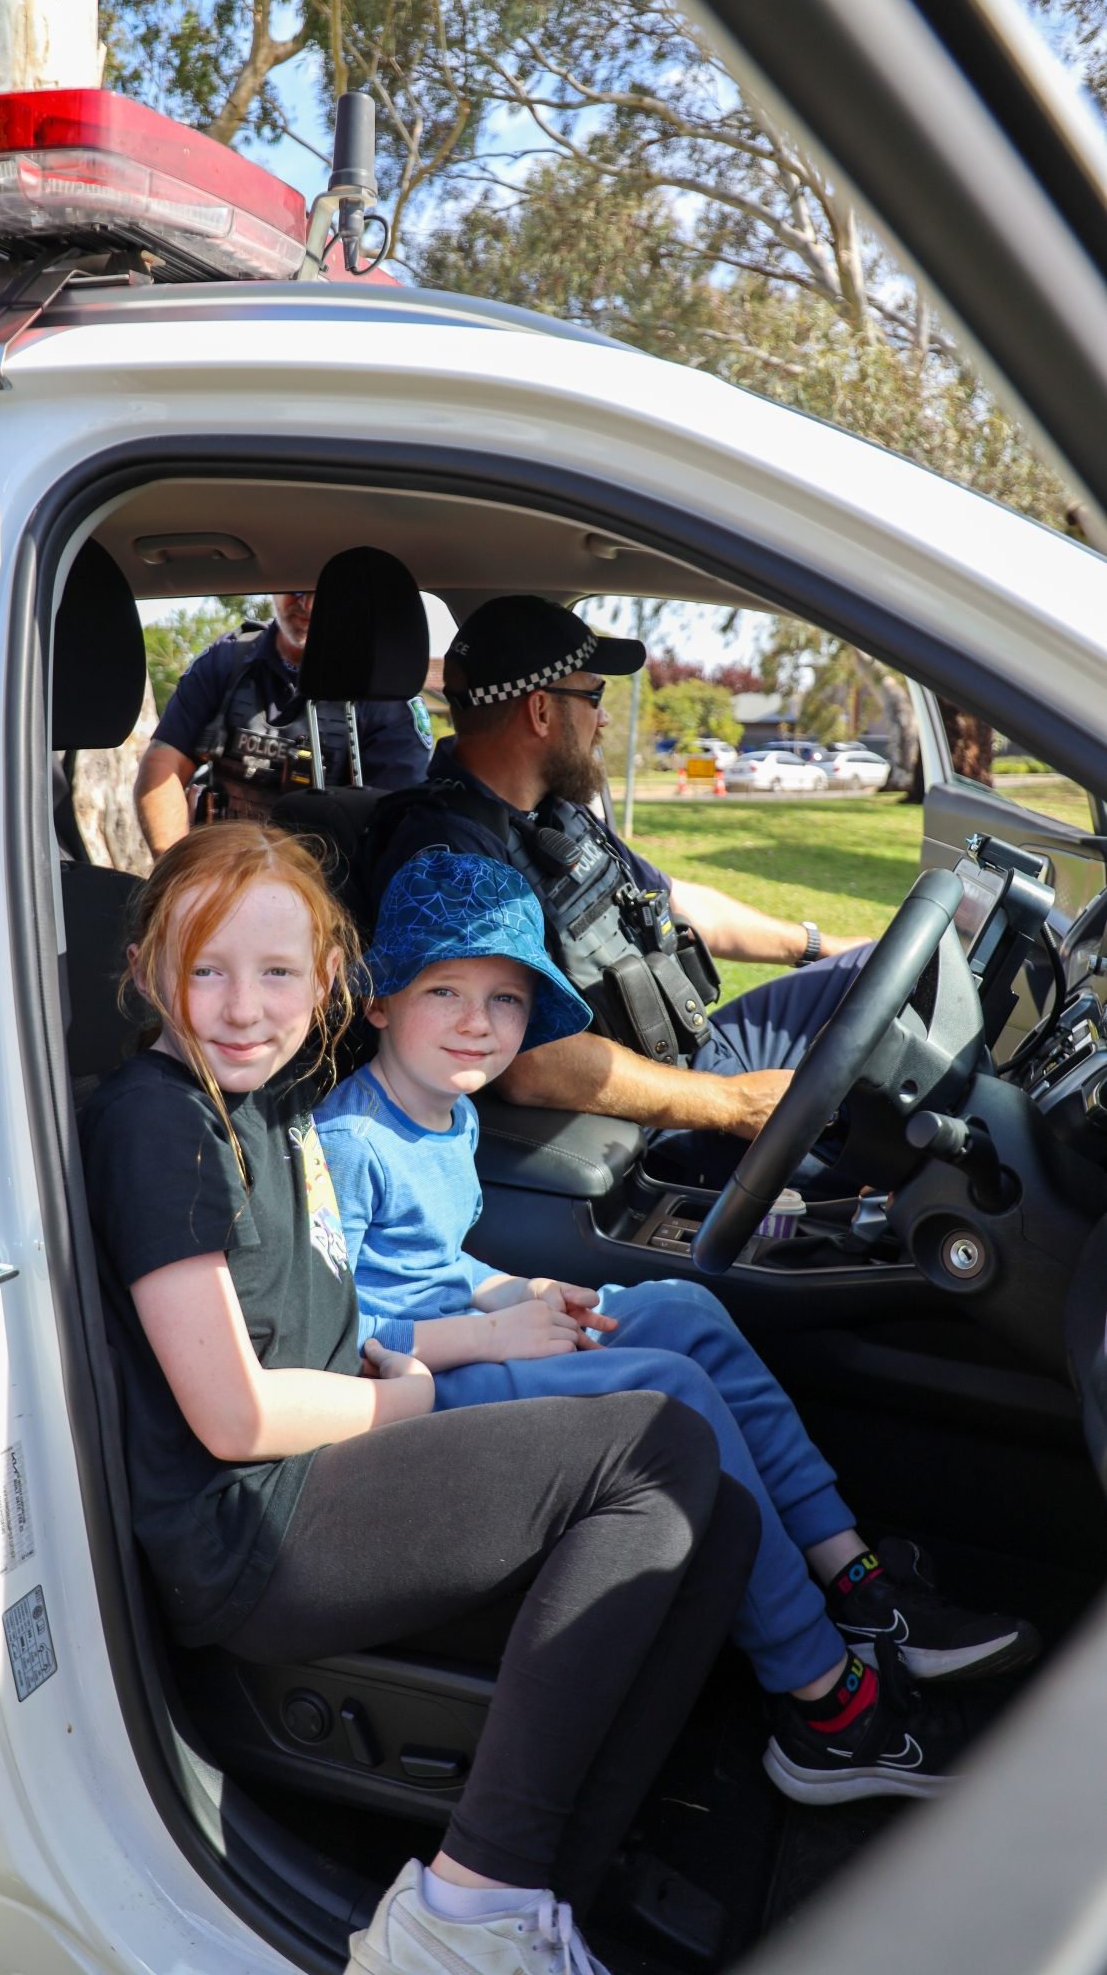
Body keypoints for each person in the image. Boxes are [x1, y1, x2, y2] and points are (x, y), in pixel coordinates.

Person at [77, 820, 761, 1975]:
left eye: (279, 971)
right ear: (149, 971)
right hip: (253, 1523)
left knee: (718, 1520)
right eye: (205, 969)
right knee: (653, 1450)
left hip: (328, 1448)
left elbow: (334, 1291)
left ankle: (543, 1902)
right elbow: (233, 1416)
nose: (243, 1005)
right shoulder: (163, 1122)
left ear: (333, 980)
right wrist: (412, 1394)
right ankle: (463, 1908)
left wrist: (419, 1345)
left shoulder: (273, 1095)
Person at [317, 850, 1040, 1803]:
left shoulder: (444, 1116)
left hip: (466, 1334)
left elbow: (436, 1262)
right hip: (409, 1390)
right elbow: (340, 1326)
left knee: (688, 1313)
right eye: (443, 990)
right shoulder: (348, 1140)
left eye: (503, 1001)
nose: (474, 1023)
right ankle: (827, 1707)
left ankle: (858, 1587)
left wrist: (518, 1291)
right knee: (672, 1392)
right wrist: (488, 1336)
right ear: (379, 1004)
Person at [362, 594, 875, 1183]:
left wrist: (817, 945)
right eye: (594, 697)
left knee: (873, 970)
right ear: (540, 711)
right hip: (645, 1128)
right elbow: (533, 1064)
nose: (603, 719)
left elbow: (672, 900)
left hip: (692, 1057)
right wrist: (732, 1103)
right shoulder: (452, 858)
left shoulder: (551, 812)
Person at [135, 587, 434, 854]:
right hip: (218, 868)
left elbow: (396, 826)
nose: (307, 605)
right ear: (273, 588)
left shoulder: (385, 696)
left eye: (324, 595)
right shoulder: (225, 660)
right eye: (296, 588)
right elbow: (164, 764)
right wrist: (174, 868)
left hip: (324, 892)